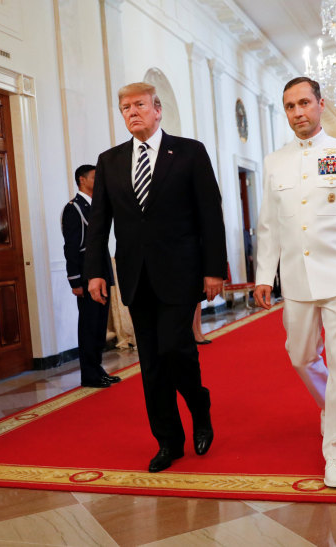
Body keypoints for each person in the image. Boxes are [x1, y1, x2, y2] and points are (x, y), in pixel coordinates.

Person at [253, 77, 336, 488]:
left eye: (304, 103)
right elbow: (269, 225)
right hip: (295, 278)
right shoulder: (275, 161)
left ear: (320, 104)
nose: (298, 113)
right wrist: (264, 275)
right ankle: (332, 408)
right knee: (299, 356)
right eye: (290, 106)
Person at [85, 82, 227, 473]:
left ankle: (199, 404)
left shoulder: (189, 152)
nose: (133, 112)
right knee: (151, 362)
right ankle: (168, 441)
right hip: (135, 276)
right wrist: (95, 271)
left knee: (174, 348)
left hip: (182, 272)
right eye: (125, 107)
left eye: (140, 105)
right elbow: (99, 224)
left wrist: (214, 269)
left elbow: (209, 214)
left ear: (157, 110)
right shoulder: (110, 161)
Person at [61, 164, 121, 388]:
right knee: (89, 326)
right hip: (86, 278)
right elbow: (71, 247)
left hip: (101, 273)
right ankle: (89, 374)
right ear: (82, 180)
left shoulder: (95, 206)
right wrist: (75, 280)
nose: (99, 180)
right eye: (95, 177)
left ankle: (97, 369)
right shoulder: (74, 209)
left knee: (99, 327)